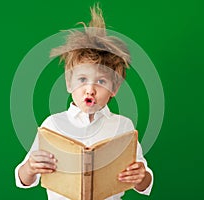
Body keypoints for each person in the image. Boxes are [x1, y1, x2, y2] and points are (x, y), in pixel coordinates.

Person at [15, 4, 153, 199]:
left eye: (101, 81)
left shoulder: (123, 127)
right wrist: (30, 167)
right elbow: (24, 179)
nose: (90, 89)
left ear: (114, 89)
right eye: (82, 80)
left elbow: (144, 183)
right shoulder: (52, 125)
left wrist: (140, 176)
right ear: (68, 84)